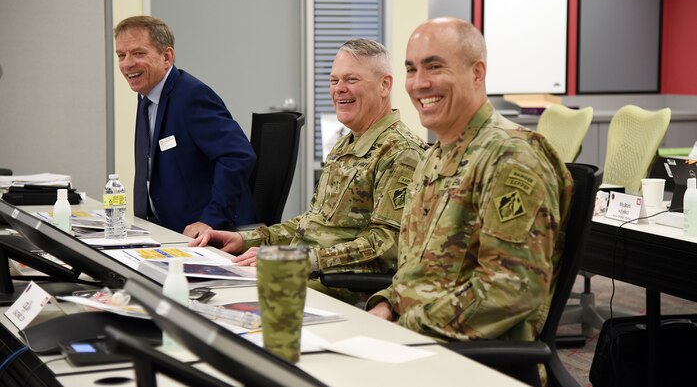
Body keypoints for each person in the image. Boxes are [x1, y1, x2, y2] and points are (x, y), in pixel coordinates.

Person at [367, 17, 574, 342]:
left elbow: (511, 289)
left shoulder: (510, 158)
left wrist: (404, 328)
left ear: (477, 73)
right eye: (411, 69)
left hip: (473, 360)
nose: (418, 83)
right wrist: (387, 305)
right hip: (416, 341)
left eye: (434, 67)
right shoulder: (435, 157)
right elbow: (418, 271)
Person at [190, 38, 427, 302]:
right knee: (202, 284)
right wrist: (245, 239)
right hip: (299, 271)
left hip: (332, 286)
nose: (339, 89)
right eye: (334, 81)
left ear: (385, 85)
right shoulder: (345, 144)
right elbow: (312, 224)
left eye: (351, 80)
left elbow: (385, 247)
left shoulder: (402, 153)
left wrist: (293, 258)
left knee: (222, 299)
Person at [114, 16, 256, 236]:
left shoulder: (191, 96)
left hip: (206, 235)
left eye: (138, 53)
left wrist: (210, 220)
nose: (127, 64)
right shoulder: (147, 95)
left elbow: (238, 155)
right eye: (121, 55)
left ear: (167, 57)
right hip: (163, 231)